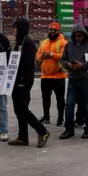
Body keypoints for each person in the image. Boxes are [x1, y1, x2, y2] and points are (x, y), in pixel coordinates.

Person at [8, 18, 51, 147]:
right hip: (16, 81)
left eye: (15, 27)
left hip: (23, 82)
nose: (13, 30)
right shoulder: (20, 41)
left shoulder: (28, 42)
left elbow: (27, 65)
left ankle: (42, 131)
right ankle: (22, 137)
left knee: (23, 110)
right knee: (19, 110)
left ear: (20, 28)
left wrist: (22, 81)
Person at [60, 24, 88, 140]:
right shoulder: (69, 45)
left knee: (87, 105)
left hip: (86, 80)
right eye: (76, 36)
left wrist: (82, 66)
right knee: (69, 104)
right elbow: (63, 59)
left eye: (80, 36)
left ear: (84, 35)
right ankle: (69, 129)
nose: (78, 38)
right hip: (73, 78)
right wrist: (67, 65)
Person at [36, 22, 67, 126]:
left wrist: (50, 54)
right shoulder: (44, 42)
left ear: (59, 31)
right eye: (51, 30)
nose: (52, 32)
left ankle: (61, 118)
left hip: (58, 76)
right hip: (45, 76)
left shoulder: (63, 42)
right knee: (45, 98)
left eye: (55, 30)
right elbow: (38, 56)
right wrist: (42, 57)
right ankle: (46, 117)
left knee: (60, 99)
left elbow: (64, 56)